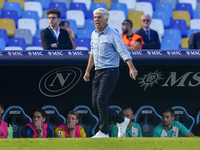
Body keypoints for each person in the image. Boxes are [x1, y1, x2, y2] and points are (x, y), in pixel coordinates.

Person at [83, 8, 138, 138]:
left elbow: (123, 51)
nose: (96, 19)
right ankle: (121, 120)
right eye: (95, 17)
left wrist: (131, 67)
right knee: (95, 104)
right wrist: (87, 71)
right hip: (98, 71)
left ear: (106, 19)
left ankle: (104, 132)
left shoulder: (113, 34)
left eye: (99, 17)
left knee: (101, 101)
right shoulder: (93, 34)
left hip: (110, 71)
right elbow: (92, 53)